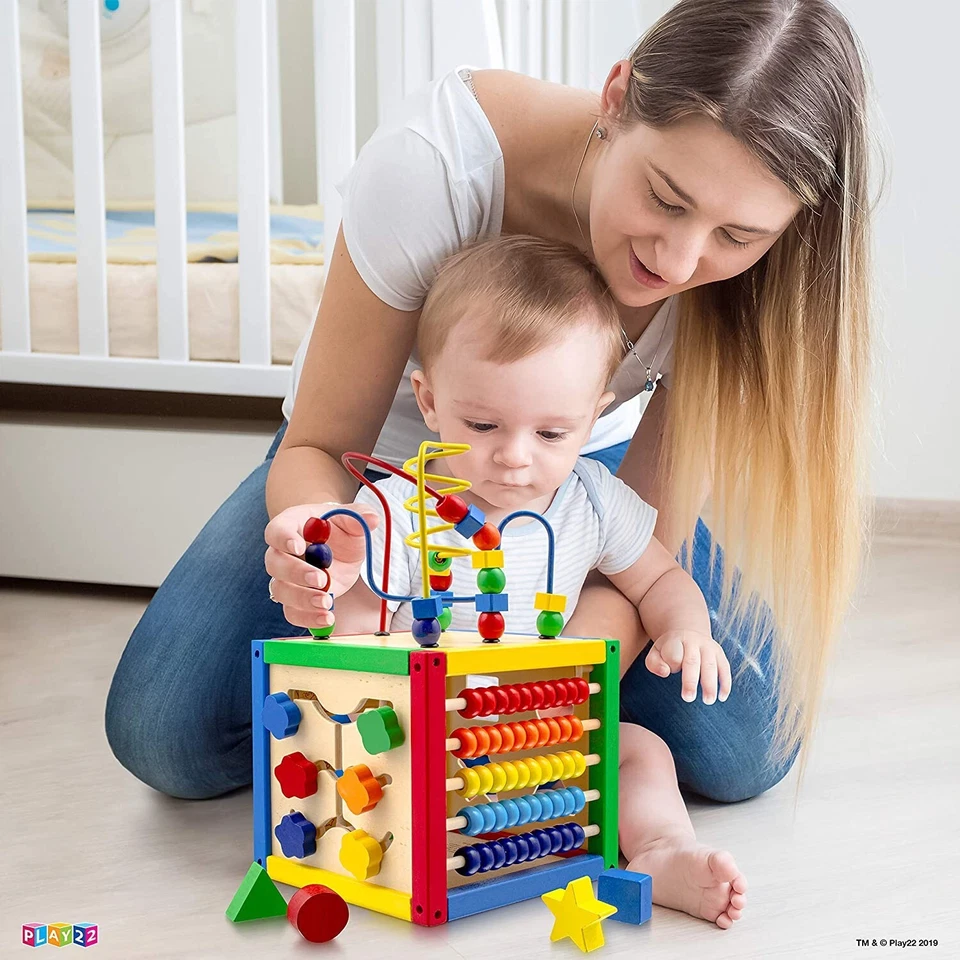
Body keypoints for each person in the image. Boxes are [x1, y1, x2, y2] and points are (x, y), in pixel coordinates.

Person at [105, 0, 873, 923]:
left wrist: (533, 682)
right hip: (374, 476)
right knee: (165, 737)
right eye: (666, 199)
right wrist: (321, 555)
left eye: (736, 236)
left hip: (576, 487)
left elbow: (639, 545)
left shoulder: (742, 284)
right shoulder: (436, 167)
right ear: (617, 97)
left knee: (746, 753)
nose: (679, 259)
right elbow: (316, 445)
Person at [317, 234, 745, 927]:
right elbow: (357, 619)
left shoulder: (593, 499)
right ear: (428, 401)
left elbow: (659, 578)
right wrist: (361, 646)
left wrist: (686, 629)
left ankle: (662, 850)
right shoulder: (399, 506)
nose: (514, 458)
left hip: (543, 733)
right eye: (482, 423)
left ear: (595, 414)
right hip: (429, 737)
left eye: (552, 433)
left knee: (641, 751)